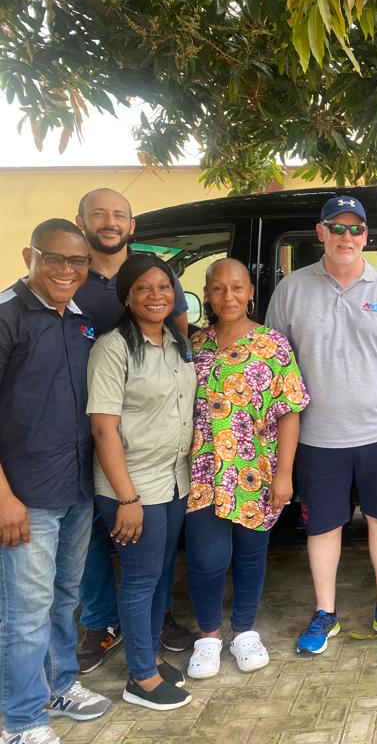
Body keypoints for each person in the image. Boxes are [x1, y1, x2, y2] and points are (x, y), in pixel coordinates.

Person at [266, 195, 377, 654]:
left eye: (355, 229)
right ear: (320, 232)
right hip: (316, 439)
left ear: (366, 236)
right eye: (336, 228)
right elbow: (275, 364)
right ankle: (325, 612)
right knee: (322, 527)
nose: (346, 237)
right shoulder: (291, 290)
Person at [73, 188, 196, 674]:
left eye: (164, 287)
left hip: (173, 480)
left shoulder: (177, 345)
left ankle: (150, 654)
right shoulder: (112, 347)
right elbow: (104, 429)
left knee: (159, 573)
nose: (156, 295)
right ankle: (141, 674)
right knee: (140, 577)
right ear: (127, 296)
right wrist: (126, 498)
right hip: (132, 483)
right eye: (143, 288)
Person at [0, 219, 112, 744]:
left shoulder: (80, 320)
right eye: (54, 258)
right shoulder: (7, 316)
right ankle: (22, 720)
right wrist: (4, 497)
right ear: (30, 256)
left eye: (78, 261)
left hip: (76, 487)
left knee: (64, 597)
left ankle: (59, 685)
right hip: (25, 495)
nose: (67, 270)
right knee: (24, 612)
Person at [185, 258, 307, 679]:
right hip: (201, 472)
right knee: (206, 558)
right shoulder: (193, 345)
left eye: (237, 288)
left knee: (251, 556)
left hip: (256, 470)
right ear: (207, 294)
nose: (228, 297)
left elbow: (289, 411)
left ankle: (244, 632)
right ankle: (208, 636)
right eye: (218, 288)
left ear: (251, 291)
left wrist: (285, 474)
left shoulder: (273, 344)